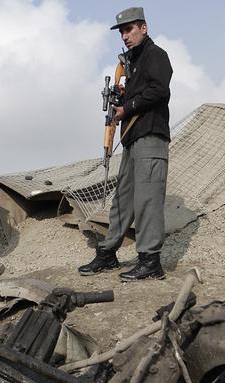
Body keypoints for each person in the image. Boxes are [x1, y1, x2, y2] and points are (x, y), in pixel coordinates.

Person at [79, 7, 172, 281]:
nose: (125, 35)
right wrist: (122, 96)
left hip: (151, 136)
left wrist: (126, 107)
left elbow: (159, 90)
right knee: (122, 200)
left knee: (147, 200)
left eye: (129, 29)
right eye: (121, 31)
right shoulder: (131, 62)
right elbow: (140, 92)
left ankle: (150, 261)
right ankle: (108, 253)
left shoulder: (156, 55)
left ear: (144, 27)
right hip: (133, 138)